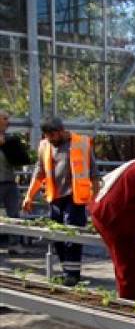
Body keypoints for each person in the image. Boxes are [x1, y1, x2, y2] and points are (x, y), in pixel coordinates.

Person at [22, 117, 99, 286]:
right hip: (55, 198)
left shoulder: (81, 143)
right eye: (47, 136)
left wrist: (95, 199)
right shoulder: (44, 146)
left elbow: (94, 173)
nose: (50, 139)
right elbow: (39, 173)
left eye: (52, 135)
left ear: (61, 131)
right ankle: (67, 272)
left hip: (75, 197)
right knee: (57, 236)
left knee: (71, 234)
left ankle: (73, 275)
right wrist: (29, 196)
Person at [90, 158, 135, 299]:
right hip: (114, 212)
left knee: (123, 261)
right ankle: (127, 303)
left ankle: (126, 299)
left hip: (102, 206)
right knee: (126, 261)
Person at [0, 112, 30, 221]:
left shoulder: (10, 140)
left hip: (10, 182)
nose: (8, 122)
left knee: (14, 215)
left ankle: (15, 237)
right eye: (5, 119)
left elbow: (20, 161)